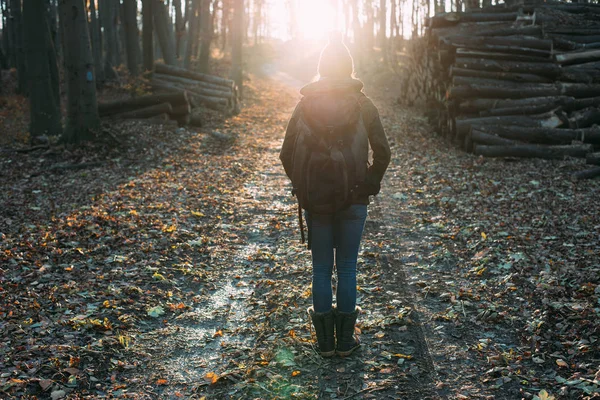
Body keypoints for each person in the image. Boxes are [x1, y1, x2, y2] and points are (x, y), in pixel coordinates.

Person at [279, 32, 391, 357]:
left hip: (317, 201)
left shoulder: (305, 104)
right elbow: (383, 152)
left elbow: (286, 153)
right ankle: (345, 342)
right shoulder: (363, 104)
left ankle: (324, 344)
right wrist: (367, 185)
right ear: (350, 67)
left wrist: (303, 190)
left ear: (322, 67)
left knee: (320, 270)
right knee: (347, 267)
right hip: (355, 200)